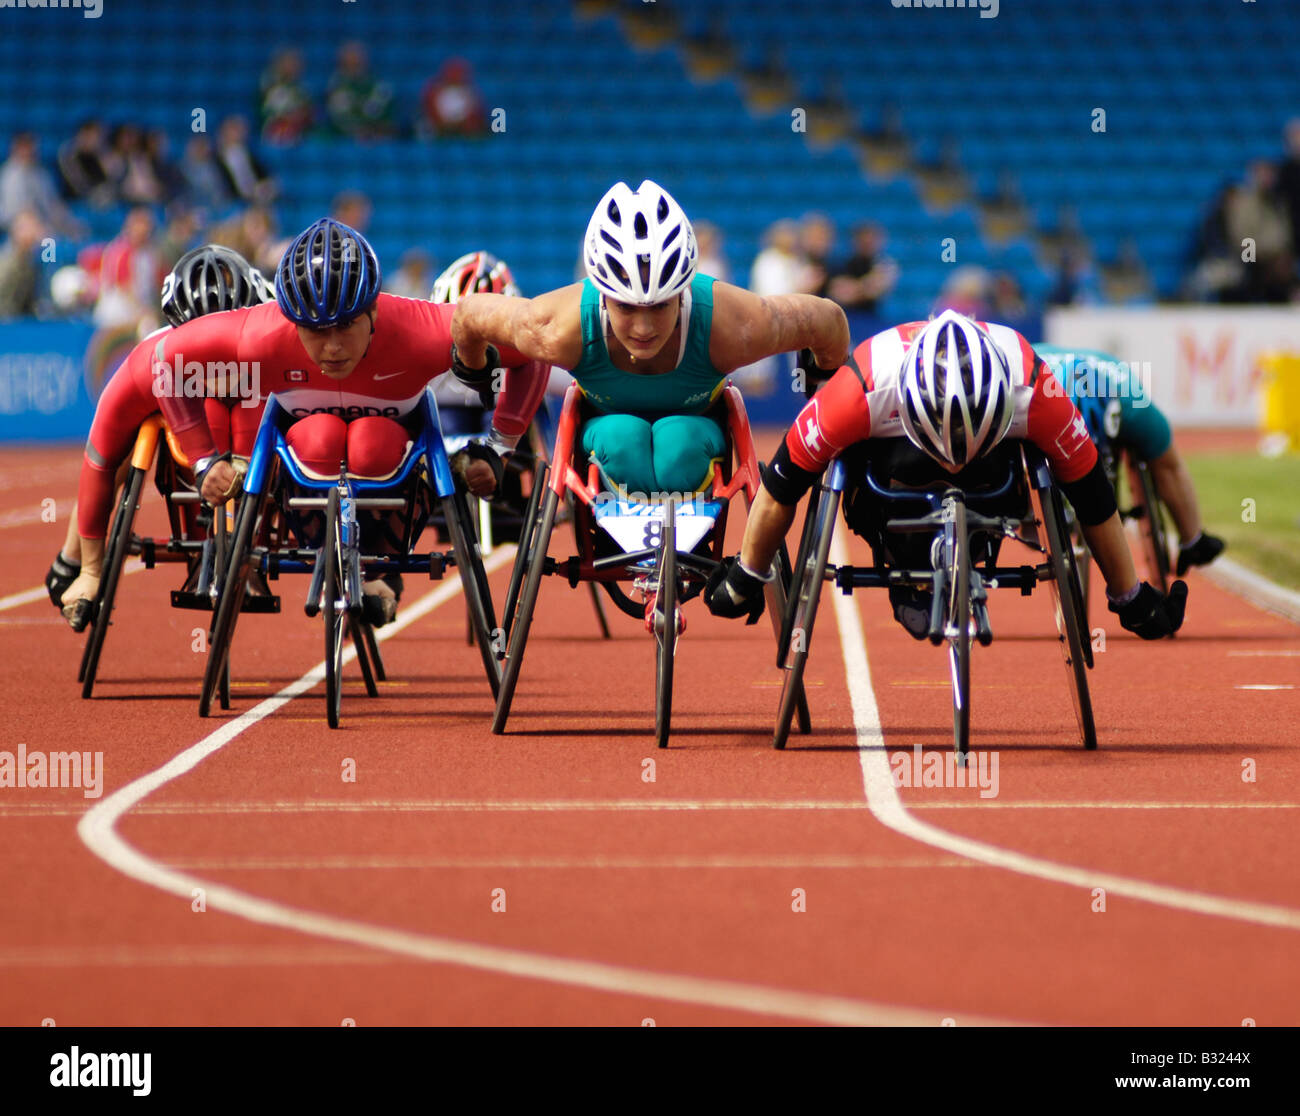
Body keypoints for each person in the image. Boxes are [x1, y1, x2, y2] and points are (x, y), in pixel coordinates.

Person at [58, 219, 545, 628]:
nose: (331, 347)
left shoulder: (424, 328)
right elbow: (154, 376)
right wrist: (205, 462)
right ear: (289, 319)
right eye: (314, 331)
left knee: (372, 443)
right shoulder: (254, 336)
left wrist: (497, 448)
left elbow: (536, 345)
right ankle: (85, 564)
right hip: (302, 437)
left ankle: (372, 563)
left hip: (388, 438)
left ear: (374, 309)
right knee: (313, 438)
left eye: (345, 327)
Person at [448, 179, 850, 625]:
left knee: (679, 441)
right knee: (623, 437)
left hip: (698, 435)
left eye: (660, 306)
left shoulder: (733, 324)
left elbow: (828, 321)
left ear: (683, 290)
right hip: (608, 437)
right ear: (601, 293)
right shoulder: (556, 325)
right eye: (625, 307)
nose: (643, 327)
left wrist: (823, 391)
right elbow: (467, 315)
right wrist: (473, 369)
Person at [706, 310, 1188, 641]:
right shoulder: (859, 389)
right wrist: (748, 573)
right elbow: (783, 483)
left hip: (993, 470)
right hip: (894, 465)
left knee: (1020, 476)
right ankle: (900, 562)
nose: (952, 462)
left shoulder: (1035, 389)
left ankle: (971, 540)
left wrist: (1130, 597)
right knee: (858, 472)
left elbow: (1093, 497)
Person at [48, 245, 275, 625]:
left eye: (224, 348)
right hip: (182, 393)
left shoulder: (277, 339)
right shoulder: (146, 362)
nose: (214, 360)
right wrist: (88, 567)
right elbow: (100, 459)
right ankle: (72, 557)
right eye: (202, 351)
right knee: (125, 443)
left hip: (261, 384)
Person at [1034, 344, 1225, 575]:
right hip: (1040, 394)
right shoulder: (1028, 389)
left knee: (1157, 453)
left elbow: (1169, 466)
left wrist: (1192, 537)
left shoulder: (1133, 406)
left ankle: (1193, 541)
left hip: (1108, 388)